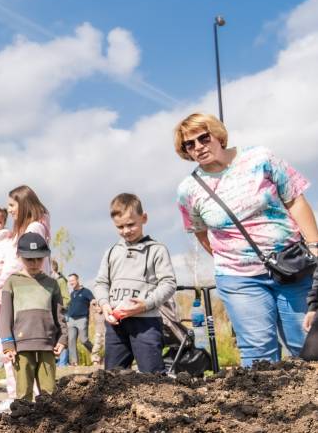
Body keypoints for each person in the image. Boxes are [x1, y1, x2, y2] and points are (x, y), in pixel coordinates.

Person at [175, 113, 318, 366]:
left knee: (307, 345)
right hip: (240, 279)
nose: (198, 147)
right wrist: (234, 258)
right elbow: (200, 231)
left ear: (217, 135)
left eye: (203, 138)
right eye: (190, 144)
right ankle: (266, 406)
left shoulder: (261, 158)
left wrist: (315, 245)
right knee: (258, 354)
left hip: (293, 268)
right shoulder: (189, 190)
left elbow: (295, 199)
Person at [93, 193, 177, 373]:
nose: (126, 230)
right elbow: (101, 283)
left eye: (131, 224)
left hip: (146, 323)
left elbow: (168, 284)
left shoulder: (157, 250)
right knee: (112, 377)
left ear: (143, 218)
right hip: (116, 325)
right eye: (120, 226)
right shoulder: (111, 252)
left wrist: (146, 304)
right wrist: (104, 304)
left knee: (152, 377)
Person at [0, 185, 51, 414]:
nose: (9, 210)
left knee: (11, 343)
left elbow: (17, 263)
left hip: (21, 295)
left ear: (23, 204)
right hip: (21, 293)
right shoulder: (33, 227)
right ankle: (19, 395)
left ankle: (19, 397)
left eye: (12, 205)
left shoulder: (32, 229)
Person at [0, 233, 66, 403]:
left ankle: (50, 425)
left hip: (47, 345)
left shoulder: (52, 283)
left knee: (49, 392)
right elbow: (5, 317)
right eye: (29, 259)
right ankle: (23, 424)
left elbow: (60, 315)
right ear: (19, 256)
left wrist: (63, 338)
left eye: (39, 259)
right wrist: (7, 344)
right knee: (23, 393)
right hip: (21, 347)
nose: (35, 263)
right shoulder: (12, 282)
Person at [64, 274, 95, 364]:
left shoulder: (86, 291)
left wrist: (95, 304)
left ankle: (95, 354)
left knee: (84, 340)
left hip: (82, 319)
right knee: (71, 340)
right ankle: (74, 362)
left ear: (77, 280)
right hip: (71, 320)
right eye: (69, 281)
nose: (71, 283)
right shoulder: (72, 293)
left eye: (72, 280)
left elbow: (92, 300)